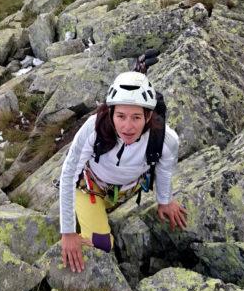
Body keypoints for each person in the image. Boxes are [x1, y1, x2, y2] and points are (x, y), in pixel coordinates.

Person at [59, 69, 187, 272]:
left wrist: (165, 201)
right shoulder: (93, 129)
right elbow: (68, 173)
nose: (128, 126)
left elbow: (164, 169)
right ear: (110, 113)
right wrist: (67, 232)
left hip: (128, 189)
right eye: (121, 116)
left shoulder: (164, 139)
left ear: (148, 115)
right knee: (101, 245)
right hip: (90, 187)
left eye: (136, 117)